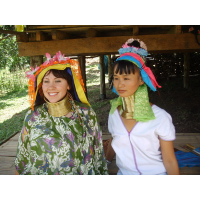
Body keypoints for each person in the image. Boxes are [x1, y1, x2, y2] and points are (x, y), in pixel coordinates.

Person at [15, 51, 108, 175]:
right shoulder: (33, 116)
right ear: (41, 86)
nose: (51, 87)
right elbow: (22, 154)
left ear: (69, 85)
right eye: (46, 81)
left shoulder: (85, 114)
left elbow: (97, 152)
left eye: (58, 80)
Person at [106, 39, 180, 175]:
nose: (119, 84)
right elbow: (114, 139)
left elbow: (169, 160)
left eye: (126, 78)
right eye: (116, 78)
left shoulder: (159, 117)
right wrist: (105, 163)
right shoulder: (113, 114)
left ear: (141, 80)